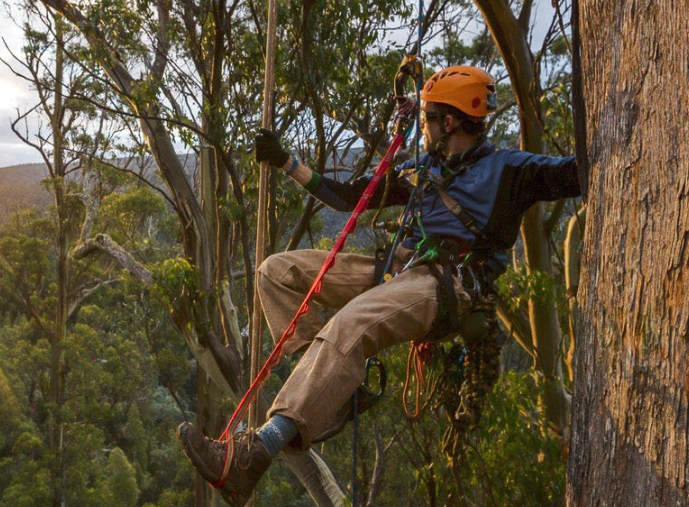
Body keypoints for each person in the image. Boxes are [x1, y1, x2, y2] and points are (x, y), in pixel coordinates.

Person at [177, 65, 581, 506]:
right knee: (276, 272)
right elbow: (351, 197)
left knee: (352, 323)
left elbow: (573, 174)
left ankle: (255, 452)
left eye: (428, 118)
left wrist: (585, 89)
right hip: (397, 269)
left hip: (448, 287)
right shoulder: (422, 169)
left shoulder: (510, 169)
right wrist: (285, 162)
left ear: (449, 123)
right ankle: (329, 394)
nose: (422, 127)